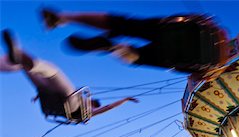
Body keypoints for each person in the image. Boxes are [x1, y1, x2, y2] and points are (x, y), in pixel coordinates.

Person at [40, 9, 229, 78]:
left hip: (178, 29)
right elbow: (196, 77)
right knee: (138, 57)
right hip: (179, 58)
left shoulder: (220, 33)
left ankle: (62, 17)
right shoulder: (217, 67)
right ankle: (115, 48)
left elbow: (200, 19)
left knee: (124, 24)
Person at [1, 30, 139, 123]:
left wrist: (125, 99)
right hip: (53, 100)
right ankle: (17, 58)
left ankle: (20, 58)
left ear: (93, 104)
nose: (90, 101)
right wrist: (38, 96)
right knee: (32, 71)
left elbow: (108, 107)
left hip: (68, 103)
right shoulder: (84, 107)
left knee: (54, 72)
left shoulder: (89, 111)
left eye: (92, 102)